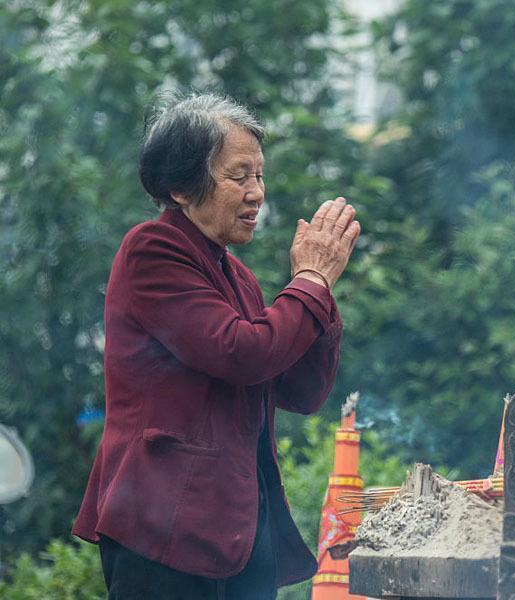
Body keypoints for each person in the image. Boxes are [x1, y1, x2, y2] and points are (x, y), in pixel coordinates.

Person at [72, 92, 360, 599]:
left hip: (241, 527)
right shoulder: (151, 250)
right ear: (182, 187)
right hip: (163, 526)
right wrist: (311, 280)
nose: (257, 193)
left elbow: (299, 390)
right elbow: (241, 353)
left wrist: (321, 289)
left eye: (259, 175)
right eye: (239, 176)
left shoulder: (240, 278)